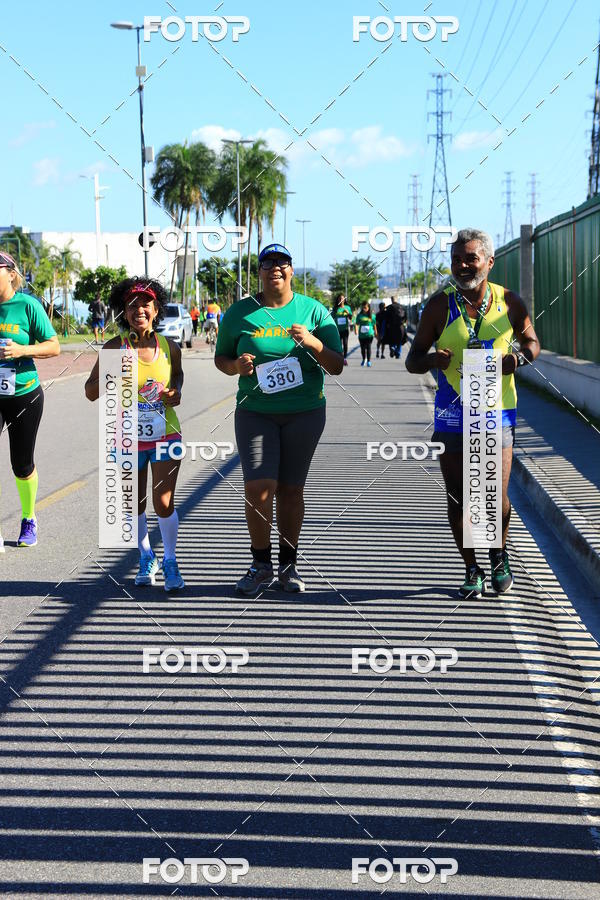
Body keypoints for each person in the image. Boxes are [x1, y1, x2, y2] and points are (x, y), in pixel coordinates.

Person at [405, 228, 541, 598]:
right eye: (456, 260)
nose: (463, 266)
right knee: (458, 496)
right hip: (452, 414)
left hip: (496, 413)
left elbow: (532, 343)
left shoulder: (509, 301)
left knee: (493, 495)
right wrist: (433, 359)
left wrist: (514, 360)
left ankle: (498, 555)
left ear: (489, 262)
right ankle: (471, 568)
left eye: (470, 259)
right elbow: (412, 360)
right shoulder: (438, 305)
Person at [215, 242, 343, 596]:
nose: (275, 268)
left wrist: (314, 344)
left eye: (282, 263)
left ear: (291, 270)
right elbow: (221, 359)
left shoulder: (313, 311)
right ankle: (260, 565)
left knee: (290, 489)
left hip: (305, 412)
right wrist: (235, 366)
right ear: (258, 272)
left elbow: (336, 366)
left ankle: (289, 566)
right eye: (268, 263)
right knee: (258, 487)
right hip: (256, 412)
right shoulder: (239, 314)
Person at [85, 277, 185, 591]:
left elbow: (177, 377)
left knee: (164, 500)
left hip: (166, 433)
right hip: (127, 437)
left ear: (157, 310)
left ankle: (170, 561)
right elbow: (90, 392)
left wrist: (175, 392)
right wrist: (111, 379)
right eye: (132, 305)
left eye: (145, 304)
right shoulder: (114, 347)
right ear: (123, 312)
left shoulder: (170, 346)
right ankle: (146, 557)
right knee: (134, 501)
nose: (139, 309)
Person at [0, 250, 60, 550]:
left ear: (11, 273)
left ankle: (28, 518)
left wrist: (21, 351)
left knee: (21, 464)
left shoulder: (27, 305)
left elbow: (54, 346)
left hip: (24, 394)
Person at [355, 301, 377, 367]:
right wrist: (356, 329)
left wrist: (376, 331)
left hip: (369, 334)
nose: (364, 309)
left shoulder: (372, 315)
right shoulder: (359, 315)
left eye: (366, 307)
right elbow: (357, 323)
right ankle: (364, 359)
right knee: (363, 348)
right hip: (362, 335)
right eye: (363, 307)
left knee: (368, 347)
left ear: (368, 308)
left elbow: (374, 324)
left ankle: (369, 361)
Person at [332, 294, 352, 366]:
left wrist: (348, 313)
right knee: (339, 345)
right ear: (338, 300)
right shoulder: (335, 309)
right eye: (340, 299)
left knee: (345, 344)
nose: (341, 300)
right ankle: (340, 359)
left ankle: (344, 358)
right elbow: (331, 319)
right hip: (338, 330)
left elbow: (351, 318)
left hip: (345, 329)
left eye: (342, 299)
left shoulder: (347, 307)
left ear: (344, 300)